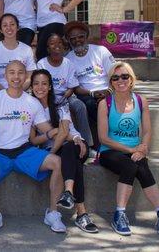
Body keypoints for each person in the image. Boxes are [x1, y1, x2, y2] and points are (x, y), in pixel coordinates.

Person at [0, 60, 65, 236]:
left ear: (25, 75)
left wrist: (72, 136)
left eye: (20, 72)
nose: (16, 77)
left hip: (24, 151)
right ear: (5, 75)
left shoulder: (32, 102)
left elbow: (46, 129)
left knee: (56, 162)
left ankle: (53, 212)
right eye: (12, 72)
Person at [98, 62, 159, 237]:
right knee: (131, 165)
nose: (120, 80)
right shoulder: (105, 103)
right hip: (110, 151)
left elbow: (146, 131)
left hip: (135, 150)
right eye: (115, 78)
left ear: (131, 80)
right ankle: (119, 214)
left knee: (141, 166)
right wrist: (131, 151)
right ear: (111, 82)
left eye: (125, 76)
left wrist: (143, 147)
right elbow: (103, 138)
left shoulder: (141, 101)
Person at [29, 69, 98, 233]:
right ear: (31, 86)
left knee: (69, 149)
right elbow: (33, 140)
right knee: (73, 163)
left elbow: (65, 131)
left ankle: (68, 192)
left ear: (50, 86)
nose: (40, 87)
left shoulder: (60, 103)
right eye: (36, 84)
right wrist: (49, 136)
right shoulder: (29, 106)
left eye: (44, 83)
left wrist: (73, 140)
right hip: (61, 151)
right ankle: (81, 213)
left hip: (74, 144)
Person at [65, 20, 115, 150]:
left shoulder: (100, 51)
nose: (77, 41)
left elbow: (115, 74)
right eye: (73, 38)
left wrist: (108, 91)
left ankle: (109, 140)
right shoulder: (68, 59)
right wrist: (93, 93)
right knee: (91, 104)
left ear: (86, 36)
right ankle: (104, 143)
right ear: (69, 41)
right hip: (86, 94)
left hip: (108, 90)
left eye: (80, 36)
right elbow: (75, 88)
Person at [37, 33, 94, 146]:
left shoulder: (69, 64)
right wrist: (51, 100)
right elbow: (40, 86)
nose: (56, 46)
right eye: (52, 44)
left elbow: (71, 87)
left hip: (66, 95)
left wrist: (64, 97)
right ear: (48, 49)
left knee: (80, 106)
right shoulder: (41, 64)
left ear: (64, 47)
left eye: (59, 43)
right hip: (47, 96)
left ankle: (87, 143)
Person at [0, 13, 36, 92]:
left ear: (17, 27)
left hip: (20, 93)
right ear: (0, 30)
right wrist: (7, 94)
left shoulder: (27, 49)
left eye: (12, 24)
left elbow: (29, 78)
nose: (9, 28)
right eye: (5, 25)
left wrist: (17, 93)